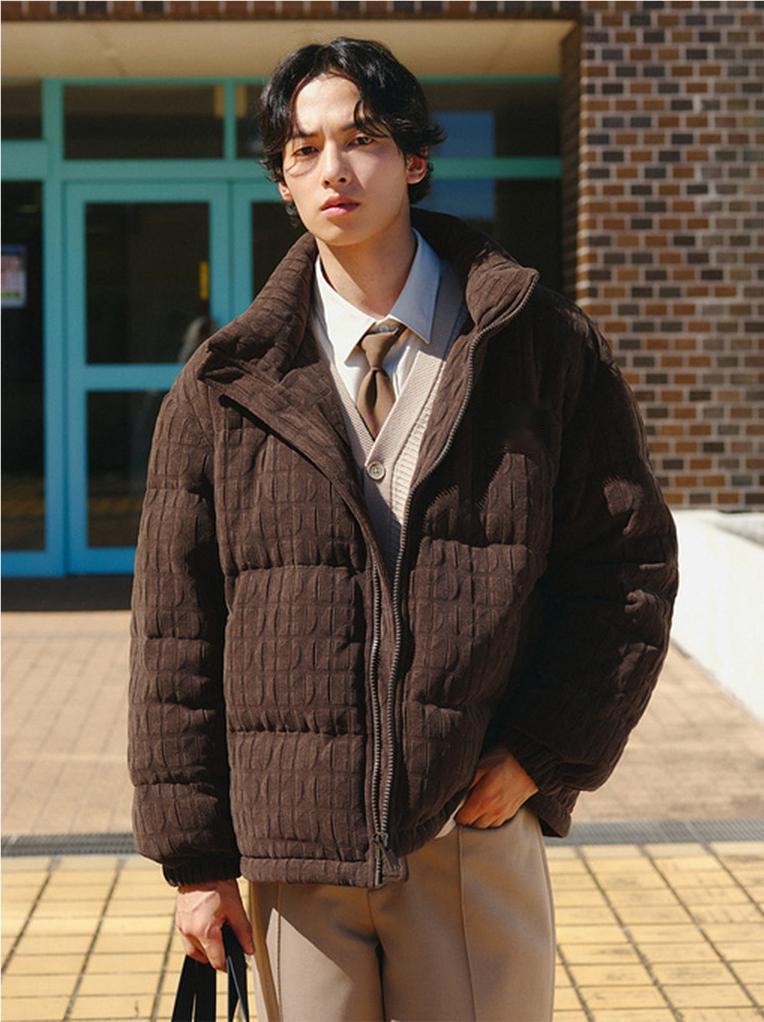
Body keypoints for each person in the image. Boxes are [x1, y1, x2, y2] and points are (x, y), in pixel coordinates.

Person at [128, 36, 680, 1022]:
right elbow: (176, 635)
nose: (332, 168)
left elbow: (625, 568)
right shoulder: (225, 384)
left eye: (363, 139)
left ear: (415, 159)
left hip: (470, 828)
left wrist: (544, 751)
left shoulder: (537, 347)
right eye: (303, 150)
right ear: (283, 181)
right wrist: (197, 861)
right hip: (297, 849)